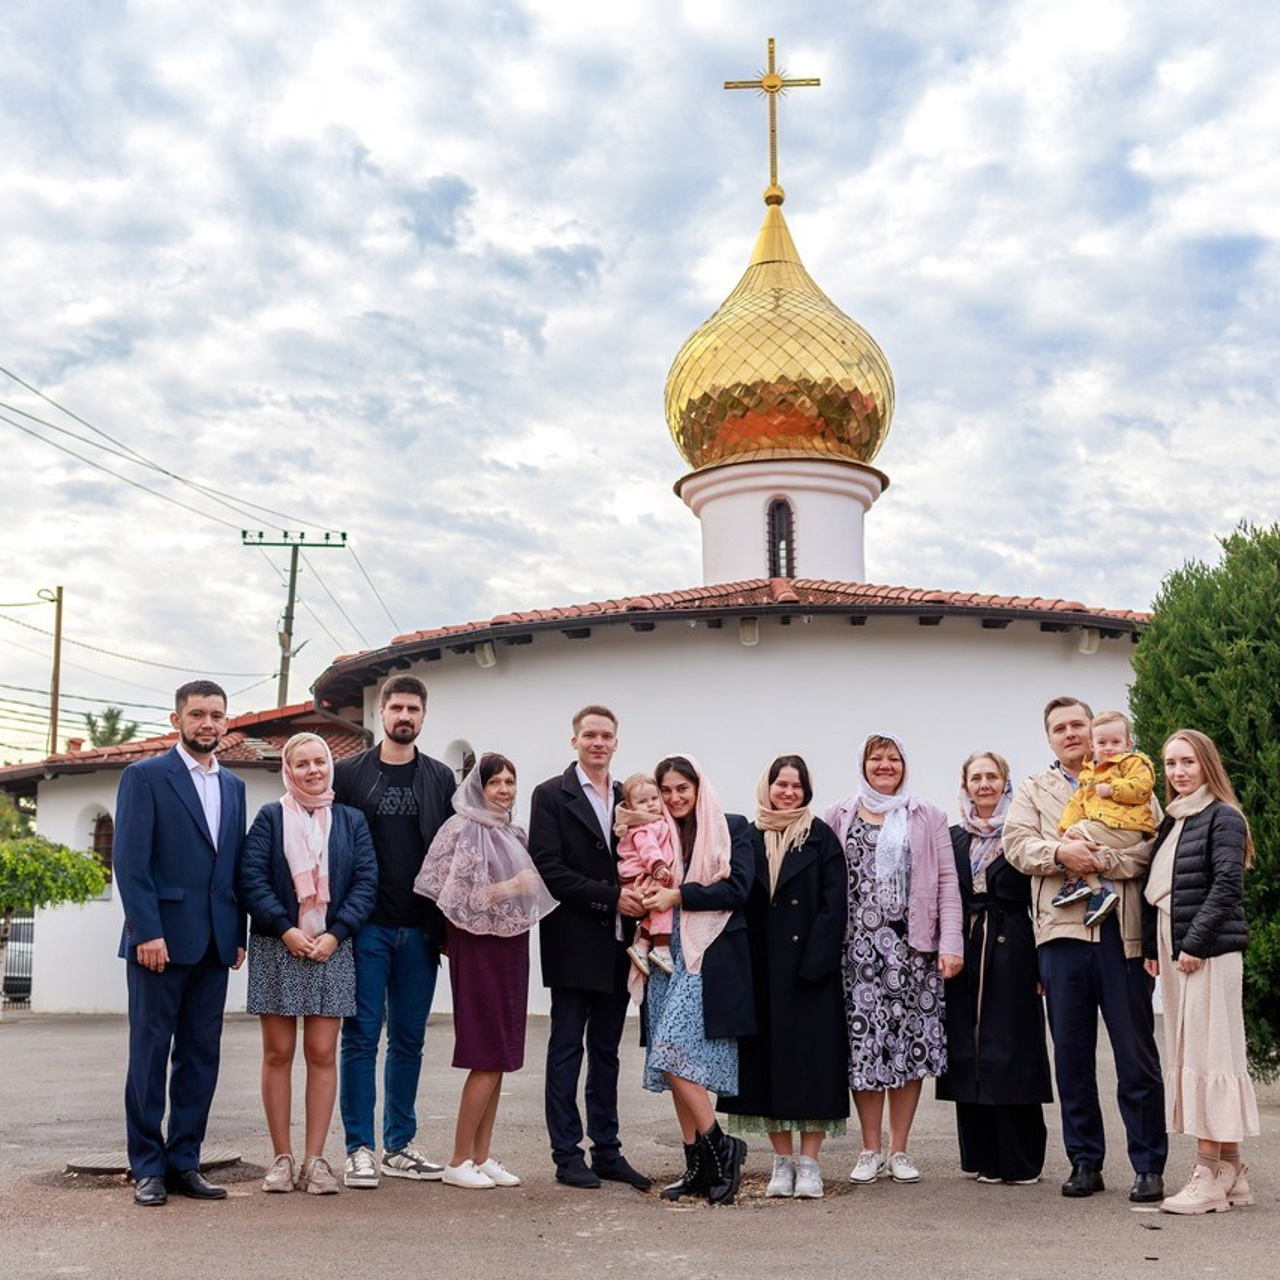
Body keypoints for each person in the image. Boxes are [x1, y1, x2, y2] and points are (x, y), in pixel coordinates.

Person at [1003, 696, 1167, 1202]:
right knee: (1071, 1058)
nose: (1071, 734)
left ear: (1096, 733)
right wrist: (1060, 853)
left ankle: (1147, 1166)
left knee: (1135, 1057)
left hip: (1123, 936)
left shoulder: (1134, 780)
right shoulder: (1034, 789)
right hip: (1061, 938)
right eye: (1060, 728)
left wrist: (1104, 859)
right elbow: (1016, 845)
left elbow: (1152, 848)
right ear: (1049, 737)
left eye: (1079, 725)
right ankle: (1085, 1162)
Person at [114, 679, 247, 1207]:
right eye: (197, 714)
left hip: (215, 942)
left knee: (200, 1057)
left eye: (216, 714)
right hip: (159, 942)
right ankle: (146, 1166)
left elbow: (232, 866)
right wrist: (147, 930)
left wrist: (235, 934)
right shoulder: (144, 777)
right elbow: (129, 860)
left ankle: (184, 1162)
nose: (207, 723)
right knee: (149, 1055)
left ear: (226, 722)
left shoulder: (234, 786)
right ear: (177, 721)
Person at [238, 733, 378, 1195]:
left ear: (330, 767)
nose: (313, 770)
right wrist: (286, 928)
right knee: (278, 1054)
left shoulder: (352, 820)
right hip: (279, 945)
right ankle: (281, 1159)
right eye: (303, 764)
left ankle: (316, 1161)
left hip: (331, 948)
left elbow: (365, 881)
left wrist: (336, 934)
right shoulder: (270, 817)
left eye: (320, 761)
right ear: (288, 770)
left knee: (322, 1054)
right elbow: (251, 877)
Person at [333, 675, 456, 1190]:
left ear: (424, 716)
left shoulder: (441, 778)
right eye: (396, 707)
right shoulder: (348, 774)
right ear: (380, 713)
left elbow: (457, 851)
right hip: (365, 927)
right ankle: (359, 1148)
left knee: (408, 1040)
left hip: (420, 929)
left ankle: (399, 1147)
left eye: (413, 709)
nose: (404, 716)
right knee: (360, 1038)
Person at [825, 733, 963, 1186]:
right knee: (865, 1046)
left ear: (904, 764)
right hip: (857, 950)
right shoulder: (838, 815)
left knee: (909, 1047)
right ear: (863, 765)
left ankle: (899, 1149)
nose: (885, 765)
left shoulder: (927, 815)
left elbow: (946, 882)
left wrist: (951, 944)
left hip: (913, 950)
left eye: (893, 758)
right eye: (876, 758)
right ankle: (869, 1149)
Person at [414, 753, 557, 1190]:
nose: (504, 789)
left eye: (510, 781)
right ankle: (458, 1159)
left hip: (511, 944)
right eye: (495, 782)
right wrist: (515, 886)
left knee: (503, 1052)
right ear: (478, 786)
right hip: (475, 945)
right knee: (485, 1050)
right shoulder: (462, 828)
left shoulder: (512, 831)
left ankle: (481, 1154)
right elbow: (460, 898)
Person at [528, 705, 650, 1190]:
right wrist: (613, 896)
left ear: (617, 743)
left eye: (606, 736)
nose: (598, 742)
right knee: (565, 1050)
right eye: (590, 735)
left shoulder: (627, 795)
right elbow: (548, 868)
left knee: (606, 1052)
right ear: (574, 741)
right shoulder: (550, 796)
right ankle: (566, 1155)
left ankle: (607, 1150)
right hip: (573, 941)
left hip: (618, 946)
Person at [720, 754, 848, 1200]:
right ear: (768, 787)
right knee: (766, 1065)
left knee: (812, 1066)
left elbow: (836, 907)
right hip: (758, 971)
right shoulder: (748, 836)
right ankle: (781, 1161)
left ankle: (809, 1163)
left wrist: (816, 963)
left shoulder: (821, 837)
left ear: (806, 791)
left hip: (810, 973)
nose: (788, 792)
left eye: (797, 786)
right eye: (781, 784)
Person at [1142, 729, 1260, 1214]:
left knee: (1211, 1055)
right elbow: (1164, 887)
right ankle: (1231, 1172)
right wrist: (1156, 946)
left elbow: (1227, 883)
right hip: (1179, 949)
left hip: (1204, 951)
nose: (1177, 772)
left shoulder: (1223, 816)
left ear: (1206, 763)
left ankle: (1208, 1175)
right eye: (1170, 764)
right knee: (1195, 1049)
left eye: (1186, 761)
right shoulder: (1177, 819)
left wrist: (1195, 942)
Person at [936, 751, 1052, 1185]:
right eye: (976, 778)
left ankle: (1020, 1160)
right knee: (971, 1049)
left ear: (1006, 783)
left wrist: (1042, 962)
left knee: (1012, 1047)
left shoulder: (1024, 831)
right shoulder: (953, 838)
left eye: (992, 777)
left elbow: (1040, 896)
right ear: (965, 786)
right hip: (966, 944)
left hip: (1016, 942)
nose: (984, 785)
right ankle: (983, 1155)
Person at [643, 754, 755, 1205]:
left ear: (698, 787)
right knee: (672, 1066)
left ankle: (723, 1148)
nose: (673, 798)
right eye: (666, 790)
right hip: (664, 952)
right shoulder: (656, 833)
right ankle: (698, 1167)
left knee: (673, 1051)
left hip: (706, 953)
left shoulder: (732, 826)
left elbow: (739, 888)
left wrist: (679, 894)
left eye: (681, 789)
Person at [1053, 711, 1156, 929]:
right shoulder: (1089, 775)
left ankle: (1075, 882)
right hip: (1106, 828)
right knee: (1073, 842)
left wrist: (1113, 789)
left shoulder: (1133, 763)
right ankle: (1097, 892)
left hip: (1126, 827)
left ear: (1128, 743)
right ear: (1092, 745)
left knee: (1077, 839)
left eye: (1115, 742)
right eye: (1102, 742)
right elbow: (1077, 803)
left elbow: (1142, 787)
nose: (1109, 748)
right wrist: (1066, 828)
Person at [614, 773, 678, 981]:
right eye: (642, 801)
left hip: (648, 873)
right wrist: (658, 866)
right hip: (643, 875)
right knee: (662, 906)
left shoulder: (656, 821)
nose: (650, 805)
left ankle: (641, 946)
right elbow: (648, 850)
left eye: (653, 798)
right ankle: (661, 947)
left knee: (652, 914)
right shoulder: (643, 827)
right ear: (631, 807)